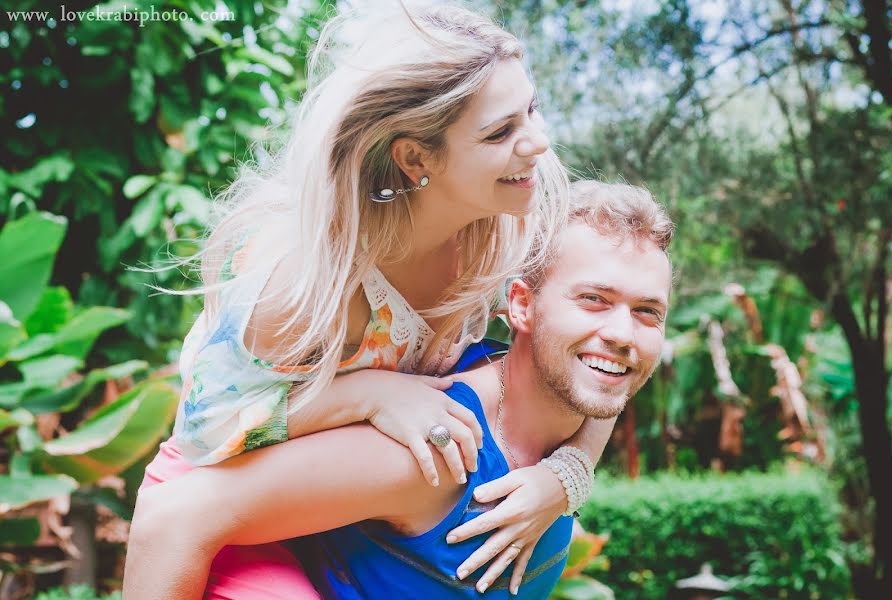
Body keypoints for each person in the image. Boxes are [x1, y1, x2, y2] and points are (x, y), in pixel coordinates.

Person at [127, 3, 618, 597]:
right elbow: (209, 427)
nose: (537, 143)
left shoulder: (517, 218)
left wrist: (567, 475)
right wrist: (369, 394)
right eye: (500, 132)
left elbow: (602, 358)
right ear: (415, 157)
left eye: (532, 109)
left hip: (348, 496)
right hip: (226, 493)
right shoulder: (302, 276)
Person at [125, 180, 674, 599]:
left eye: (648, 312)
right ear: (521, 306)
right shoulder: (435, 447)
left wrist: (570, 472)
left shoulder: (573, 402)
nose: (623, 336)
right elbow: (174, 516)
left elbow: (604, 385)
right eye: (594, 300)